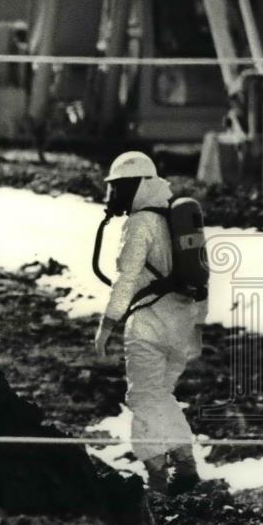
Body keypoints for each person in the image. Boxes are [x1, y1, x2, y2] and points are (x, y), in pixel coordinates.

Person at [93, 151, 208, 495]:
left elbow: (125, 280)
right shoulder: (175, 218)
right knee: (161, 396)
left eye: (118, 188)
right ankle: (186, 467)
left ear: (135, 186)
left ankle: (157, 482)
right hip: (181, 325)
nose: (114, 196)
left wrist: (106, 327)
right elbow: (201, 278)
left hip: (148, 325)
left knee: (143, 399)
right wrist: (197, 331)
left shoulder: (141, 223)